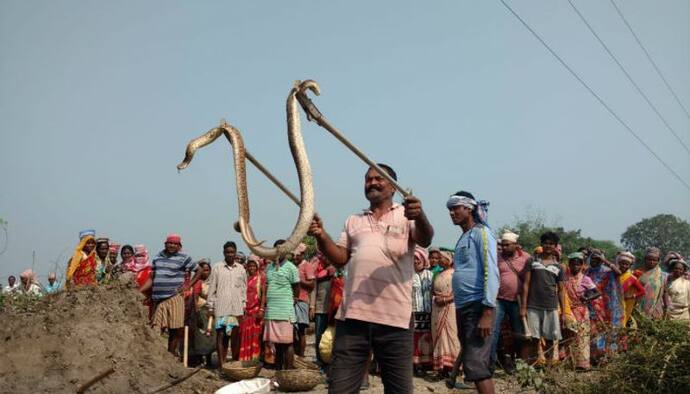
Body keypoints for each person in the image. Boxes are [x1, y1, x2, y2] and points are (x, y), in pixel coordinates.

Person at [308, 164, 434, 394]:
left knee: (399, 390)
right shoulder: (353, 220)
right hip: (352, 318)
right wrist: (320, 235)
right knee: (340, 388)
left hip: (395, 320)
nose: (372, 183)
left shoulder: (407, 215)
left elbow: (425, 238)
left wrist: (420, 215)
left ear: (394, 187)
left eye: (379, 179)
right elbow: (340, 258)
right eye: (368, 179)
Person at [447, 191, 498, 394]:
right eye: (450, 209)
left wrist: (487, 312)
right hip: (463, 305)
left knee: (475, 363)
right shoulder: (463, 237)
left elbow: (491, 271)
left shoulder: (482, 233)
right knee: (472, 357)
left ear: (468, 208)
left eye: (456, 208)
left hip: (479, 305)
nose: (452, 212)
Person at [144, 234, 199, 356]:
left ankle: (170, 355)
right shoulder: (158, 257)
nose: (172, 245)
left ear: (179, 246)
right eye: (170, 243)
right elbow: (152, 277)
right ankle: (156, 355)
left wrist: (188, 285)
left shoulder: (184, 257)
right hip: (159, 299)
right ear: (165, 244)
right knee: (156, 327)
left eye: (175, 244)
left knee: (174, 329)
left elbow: (199, 270)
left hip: (174, 296)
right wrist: (140, 291)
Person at [521, 231, 565, 367]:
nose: (548, 246)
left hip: (551, 306)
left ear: (555, 246)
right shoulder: (532, 261)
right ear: (541, 244)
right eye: (546, 243)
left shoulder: (559, 266)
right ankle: (536, 363)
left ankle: (550, 365)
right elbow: (526, 284)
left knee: (551, 337)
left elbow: (561, 290)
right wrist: (523, 306)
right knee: (534, 337)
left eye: (551, 243)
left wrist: (563, 311)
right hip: (533, 305)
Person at [491, 231, 531, 370]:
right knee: (493, 331)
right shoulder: (496, 257)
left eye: (507, 245)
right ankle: (491, 364)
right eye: (502, 245)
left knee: (518, 332)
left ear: (515, 245)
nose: (504, 247)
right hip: (499, 299)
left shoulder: (526, 258)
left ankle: (518, 364)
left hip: (517, 300)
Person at [261, 239, 300, 370]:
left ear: (286, 250)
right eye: (276, 249)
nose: (278, 251)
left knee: (288, 343)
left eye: (281, 249)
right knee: (276, 344)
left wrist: (293, 299)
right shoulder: (269, 267)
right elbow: (267, 286)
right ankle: (278, 372)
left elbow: (296, 287)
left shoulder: (291, 268)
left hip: (285, 311)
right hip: (272, 310)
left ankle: (288, 372)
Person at [207, 241, 247, 367]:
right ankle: (222, 364)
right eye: (227, 252)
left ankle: (235, 364)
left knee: (235, 337)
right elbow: (212, 289)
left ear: (235, 253)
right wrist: (210, 306)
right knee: (221, 336)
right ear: (224, 253)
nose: (230, 254)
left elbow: (243, 289)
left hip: (236, 309)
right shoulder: (217, 267)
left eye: (232, 252)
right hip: (222, 308)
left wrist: (243, 304)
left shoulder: (241, 269)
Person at [585, 249, 623, 360]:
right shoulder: (587, 272)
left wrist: (604, 260)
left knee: (605, 329)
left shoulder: (607, 271)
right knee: (593, 331)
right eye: (593, 258)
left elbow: (618, 272)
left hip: (606, 306)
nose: (594, 261)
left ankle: (607, 355)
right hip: (590, 305)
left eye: (597, 259)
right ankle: (595, 356)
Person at [562, 252, 597, 371]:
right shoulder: (564, 278)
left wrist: (587, 298)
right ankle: (569, 362)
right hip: (567, 310)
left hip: (581, 310)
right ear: (569, 264)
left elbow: (597, 292)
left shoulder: (585, 279)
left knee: (582, 337)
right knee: (569, 336)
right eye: (572, 264)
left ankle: (582, 364)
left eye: (577, 264)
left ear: (582, 265)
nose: (575, 267)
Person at [431, 250, 460, 377]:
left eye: (443, 258)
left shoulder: (456, 274)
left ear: (450, 260)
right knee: (439, 335)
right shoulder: (437, 274)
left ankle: (454, 367)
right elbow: (432, 291)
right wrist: (436, 299)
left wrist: (445, 299)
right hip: (437, 308)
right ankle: (442, 367)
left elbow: (458, 291)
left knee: (451, 334)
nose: (440, 260)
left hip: (450, 308)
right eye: (439, 258)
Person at [309, 251, 335, 368]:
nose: (326, 258)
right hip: (320, 308)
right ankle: (320, 360)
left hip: (334, 309)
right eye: (324, 256)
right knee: (319, 336)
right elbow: (313, 290)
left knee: (333, 336)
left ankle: (332, 360)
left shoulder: (337, 270)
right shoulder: (317, 271)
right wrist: (312, 306)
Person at [239, 255, 266, 362]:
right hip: (246, 311)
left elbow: (264, 294)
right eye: (249, 266)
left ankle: (255, 360)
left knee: (255, 336)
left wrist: (261, 309)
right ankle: (245, 359)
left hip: (256, 312)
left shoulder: (261, 278)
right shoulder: (245, 278)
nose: (251, 268)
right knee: (245, 336)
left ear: (257, 267)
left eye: (253, 266)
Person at [412, 246, 433, 375]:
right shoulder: (408, 275)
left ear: (423, 260)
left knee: (427, 338)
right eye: (413, 259)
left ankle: (426, 363)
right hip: (413, 311)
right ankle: (416, 364)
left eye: (418, 259)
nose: (415, 262)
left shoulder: (430, 275)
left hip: (428, 311)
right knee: (414, 338)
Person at [293, 242, 315, 357]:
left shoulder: (307, 266)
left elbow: (312, 285)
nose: (295, 257)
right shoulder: (293, 266)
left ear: (302, 254)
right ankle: (295, 355)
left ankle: (301, 356)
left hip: (302, 301)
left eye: (297, 255)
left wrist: (299, 281)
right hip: (292, 301)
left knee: (301, 331)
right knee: (292, 330)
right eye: (294, 255)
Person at [616, 251, 645, 328]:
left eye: (626, 264)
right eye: (622, 263)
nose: (624, 266)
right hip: (611, 303)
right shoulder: (614, 274)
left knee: (620, 325)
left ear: (630, 266)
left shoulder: (632, 278)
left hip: (623, 305)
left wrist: (631, 296)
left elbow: (642, 291)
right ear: (619, 263)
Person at [638, 247, 667, 320]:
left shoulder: (662, 276)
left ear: (658, 261)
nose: (652, 262)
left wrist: (667, 307)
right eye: (649, 259)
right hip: (638, 310)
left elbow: (665, 293)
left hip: (655, 311)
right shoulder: (638, 273)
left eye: (654, 260)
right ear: (645, 259)